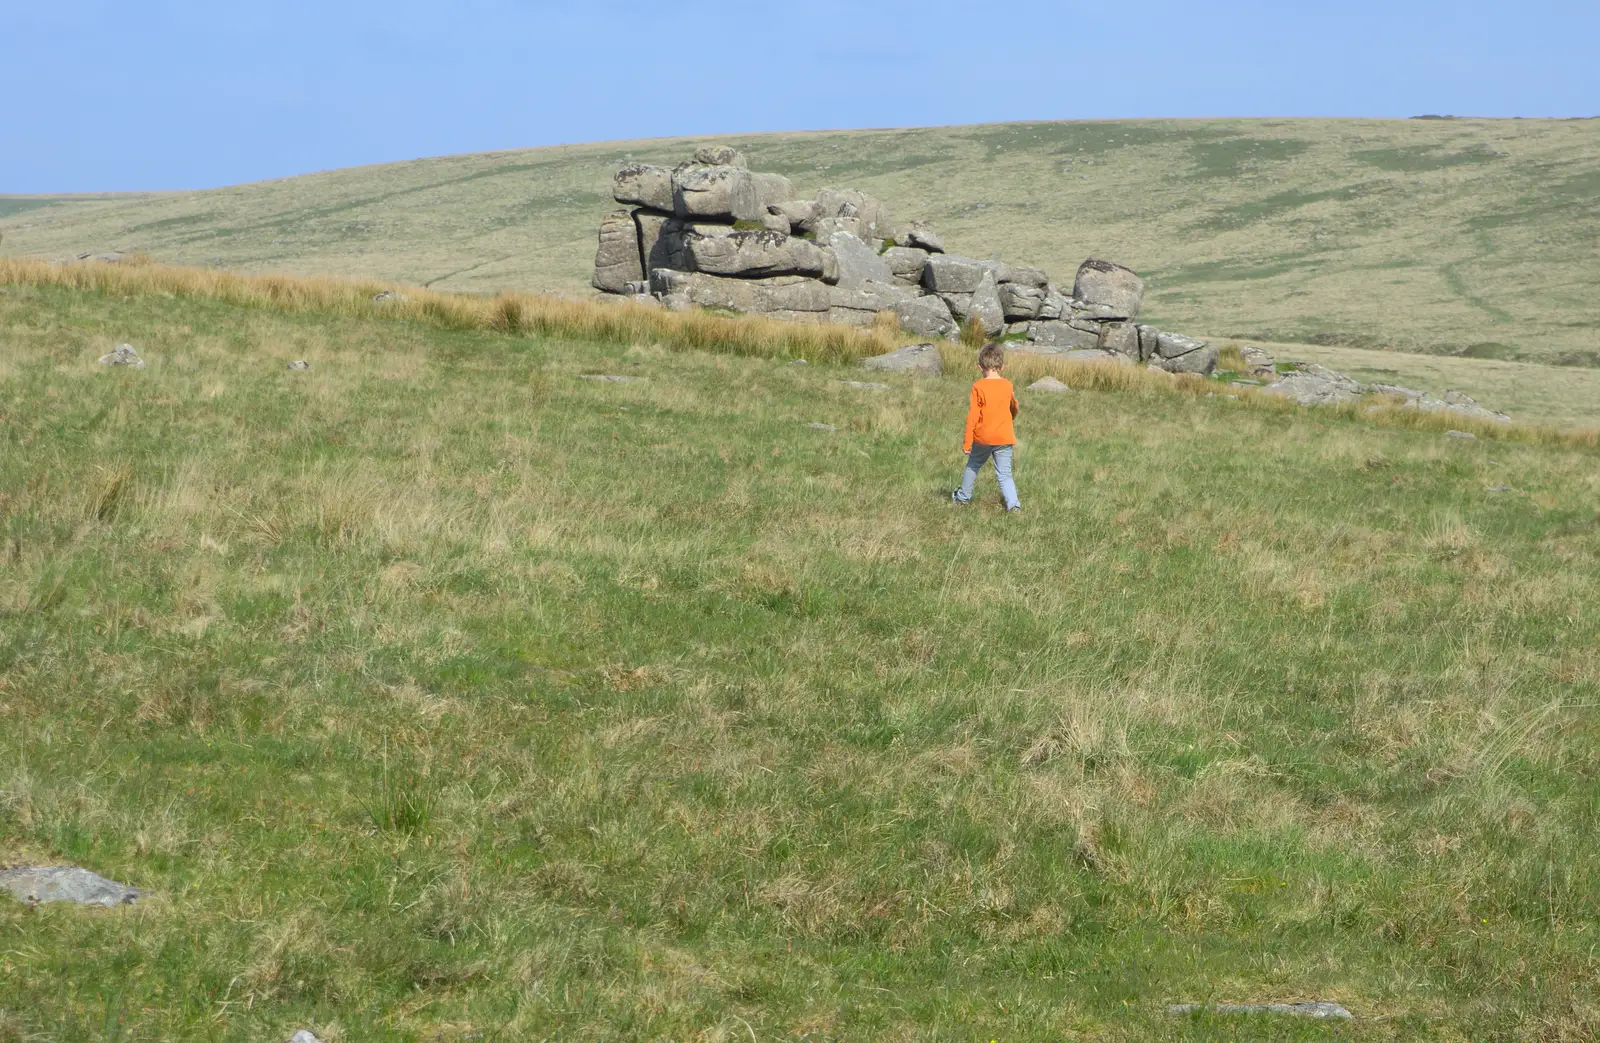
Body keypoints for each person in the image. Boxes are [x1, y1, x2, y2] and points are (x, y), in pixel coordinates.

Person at [952, 342, 1021, 512]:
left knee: (973, 465)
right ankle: (1014, 505)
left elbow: (973, 416)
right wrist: (1011, 417)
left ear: (979, 367)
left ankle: (963, 498)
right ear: (1002, 367)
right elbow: (1014, 407)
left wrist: (968, 442)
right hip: (1004, 437)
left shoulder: (978, 387)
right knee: (1005, 474)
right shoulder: (1008, 385)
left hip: (983, 437)